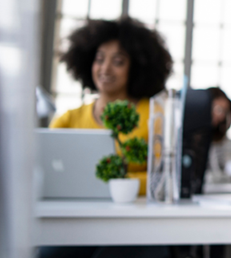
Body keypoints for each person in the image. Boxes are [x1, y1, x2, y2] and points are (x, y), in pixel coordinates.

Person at [50, 17, 173, 196]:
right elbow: (45, 170)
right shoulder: (68, 119)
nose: (105, 69)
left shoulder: (154, 115)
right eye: (99, 59)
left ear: (135, 68)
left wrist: (112, 183)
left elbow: (163, 177)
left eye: (118, 62)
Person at [205, 87, 231, 185]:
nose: (221, 116)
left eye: (224, 111)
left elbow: (221, 169)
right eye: (218, 109)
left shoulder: (218, 138)